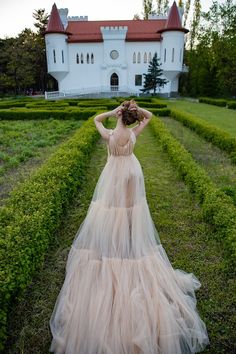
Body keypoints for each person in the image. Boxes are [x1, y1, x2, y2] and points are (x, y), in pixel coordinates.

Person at [49, 100, 210, 354]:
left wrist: (113, 112)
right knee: (132, 209)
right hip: (132, 173)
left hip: (113, 173)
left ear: (120, 116)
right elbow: (150, 117)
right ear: (132, 118)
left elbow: (95, 120)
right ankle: (130, 234)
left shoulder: (111, 134)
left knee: (111, 209)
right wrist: (135, 110)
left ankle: (116, 238)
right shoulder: (134, 133)